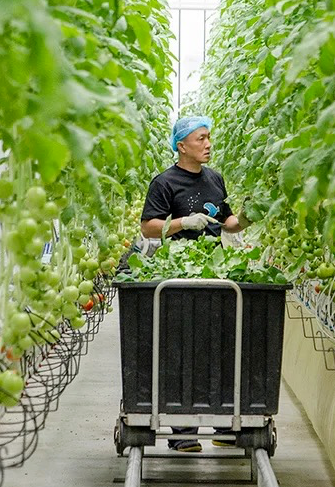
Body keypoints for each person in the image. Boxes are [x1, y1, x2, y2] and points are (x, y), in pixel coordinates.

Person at [138, 115, 251, 453]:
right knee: (180, 347)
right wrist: (182, 222)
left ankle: (220, 425)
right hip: (178, 273)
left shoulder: (215, 179)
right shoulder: (164, 183)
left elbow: (227, 221)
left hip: (215, 273)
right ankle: (182, 431)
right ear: (181, 145)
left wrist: (243, 219)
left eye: (209, 138)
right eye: (201, 138)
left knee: (217, 345)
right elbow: (148, 227)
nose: (208, 144)